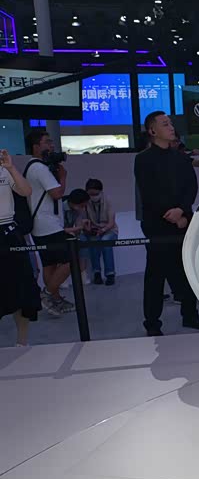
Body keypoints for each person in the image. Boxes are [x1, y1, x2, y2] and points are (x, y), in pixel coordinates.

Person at [134, 110, 199, 337]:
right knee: (155, 275)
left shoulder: (181, 158)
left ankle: (190, 316)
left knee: (187, 271)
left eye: (170, 123)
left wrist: (182, 212)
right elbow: (149, 193)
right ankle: (152, 323)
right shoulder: (143, 159)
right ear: (152, 130)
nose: (171, 127)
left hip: (183, 222)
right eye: (165, 124)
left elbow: (191, 187)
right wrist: (172, 214)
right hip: (157, 224)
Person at [25, 129, 74, 316]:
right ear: (36, 146)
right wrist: (63, 177)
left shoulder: (32, 166)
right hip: (48, 225)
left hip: (40, 225)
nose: (52, 146)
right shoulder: (40, 168)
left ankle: (56, 300)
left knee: (50, 265)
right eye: (47, 142)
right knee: (73, 259)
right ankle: (46, 295)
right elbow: (57, 193)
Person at [0, 149, 40, 346]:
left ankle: (21, 343)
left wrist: (11, 168)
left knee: (22, 288)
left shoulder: (4, 170)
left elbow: (26, 191)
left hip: (8, 231)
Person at [84, 178, 118, 286]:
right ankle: (97, 273)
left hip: (109, 230)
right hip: (94, 230)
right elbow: (83, 220)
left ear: (101, 191)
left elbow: (111, 223)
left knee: (105, 241)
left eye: (95, 194)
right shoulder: (85, 202)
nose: (93, 196)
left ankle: (110, 274)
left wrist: (103, 230)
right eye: (90, 194)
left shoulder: (108, 200)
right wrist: (89, 229)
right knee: (93, 242)